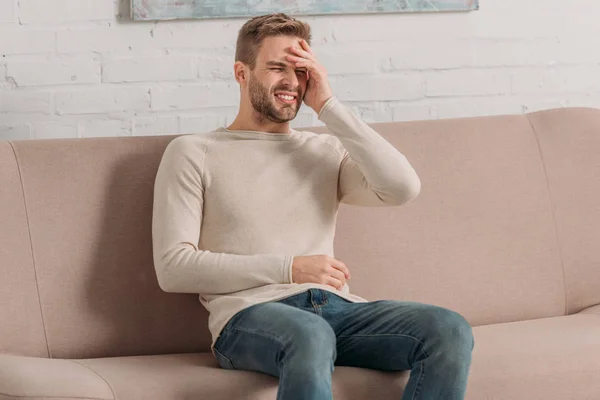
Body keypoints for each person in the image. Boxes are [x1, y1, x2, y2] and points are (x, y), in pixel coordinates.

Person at [152, 12, 474, 400]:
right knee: (310, 333)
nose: (291, 82)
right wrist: (291, 266)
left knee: (448, 329)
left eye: (300, 70)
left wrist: (328, 105)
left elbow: (402, 187)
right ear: (242, 72)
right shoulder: (194, 152)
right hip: (249, 319)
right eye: (275, 68)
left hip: (339, 310)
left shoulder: (324, 150)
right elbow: (173, 268)